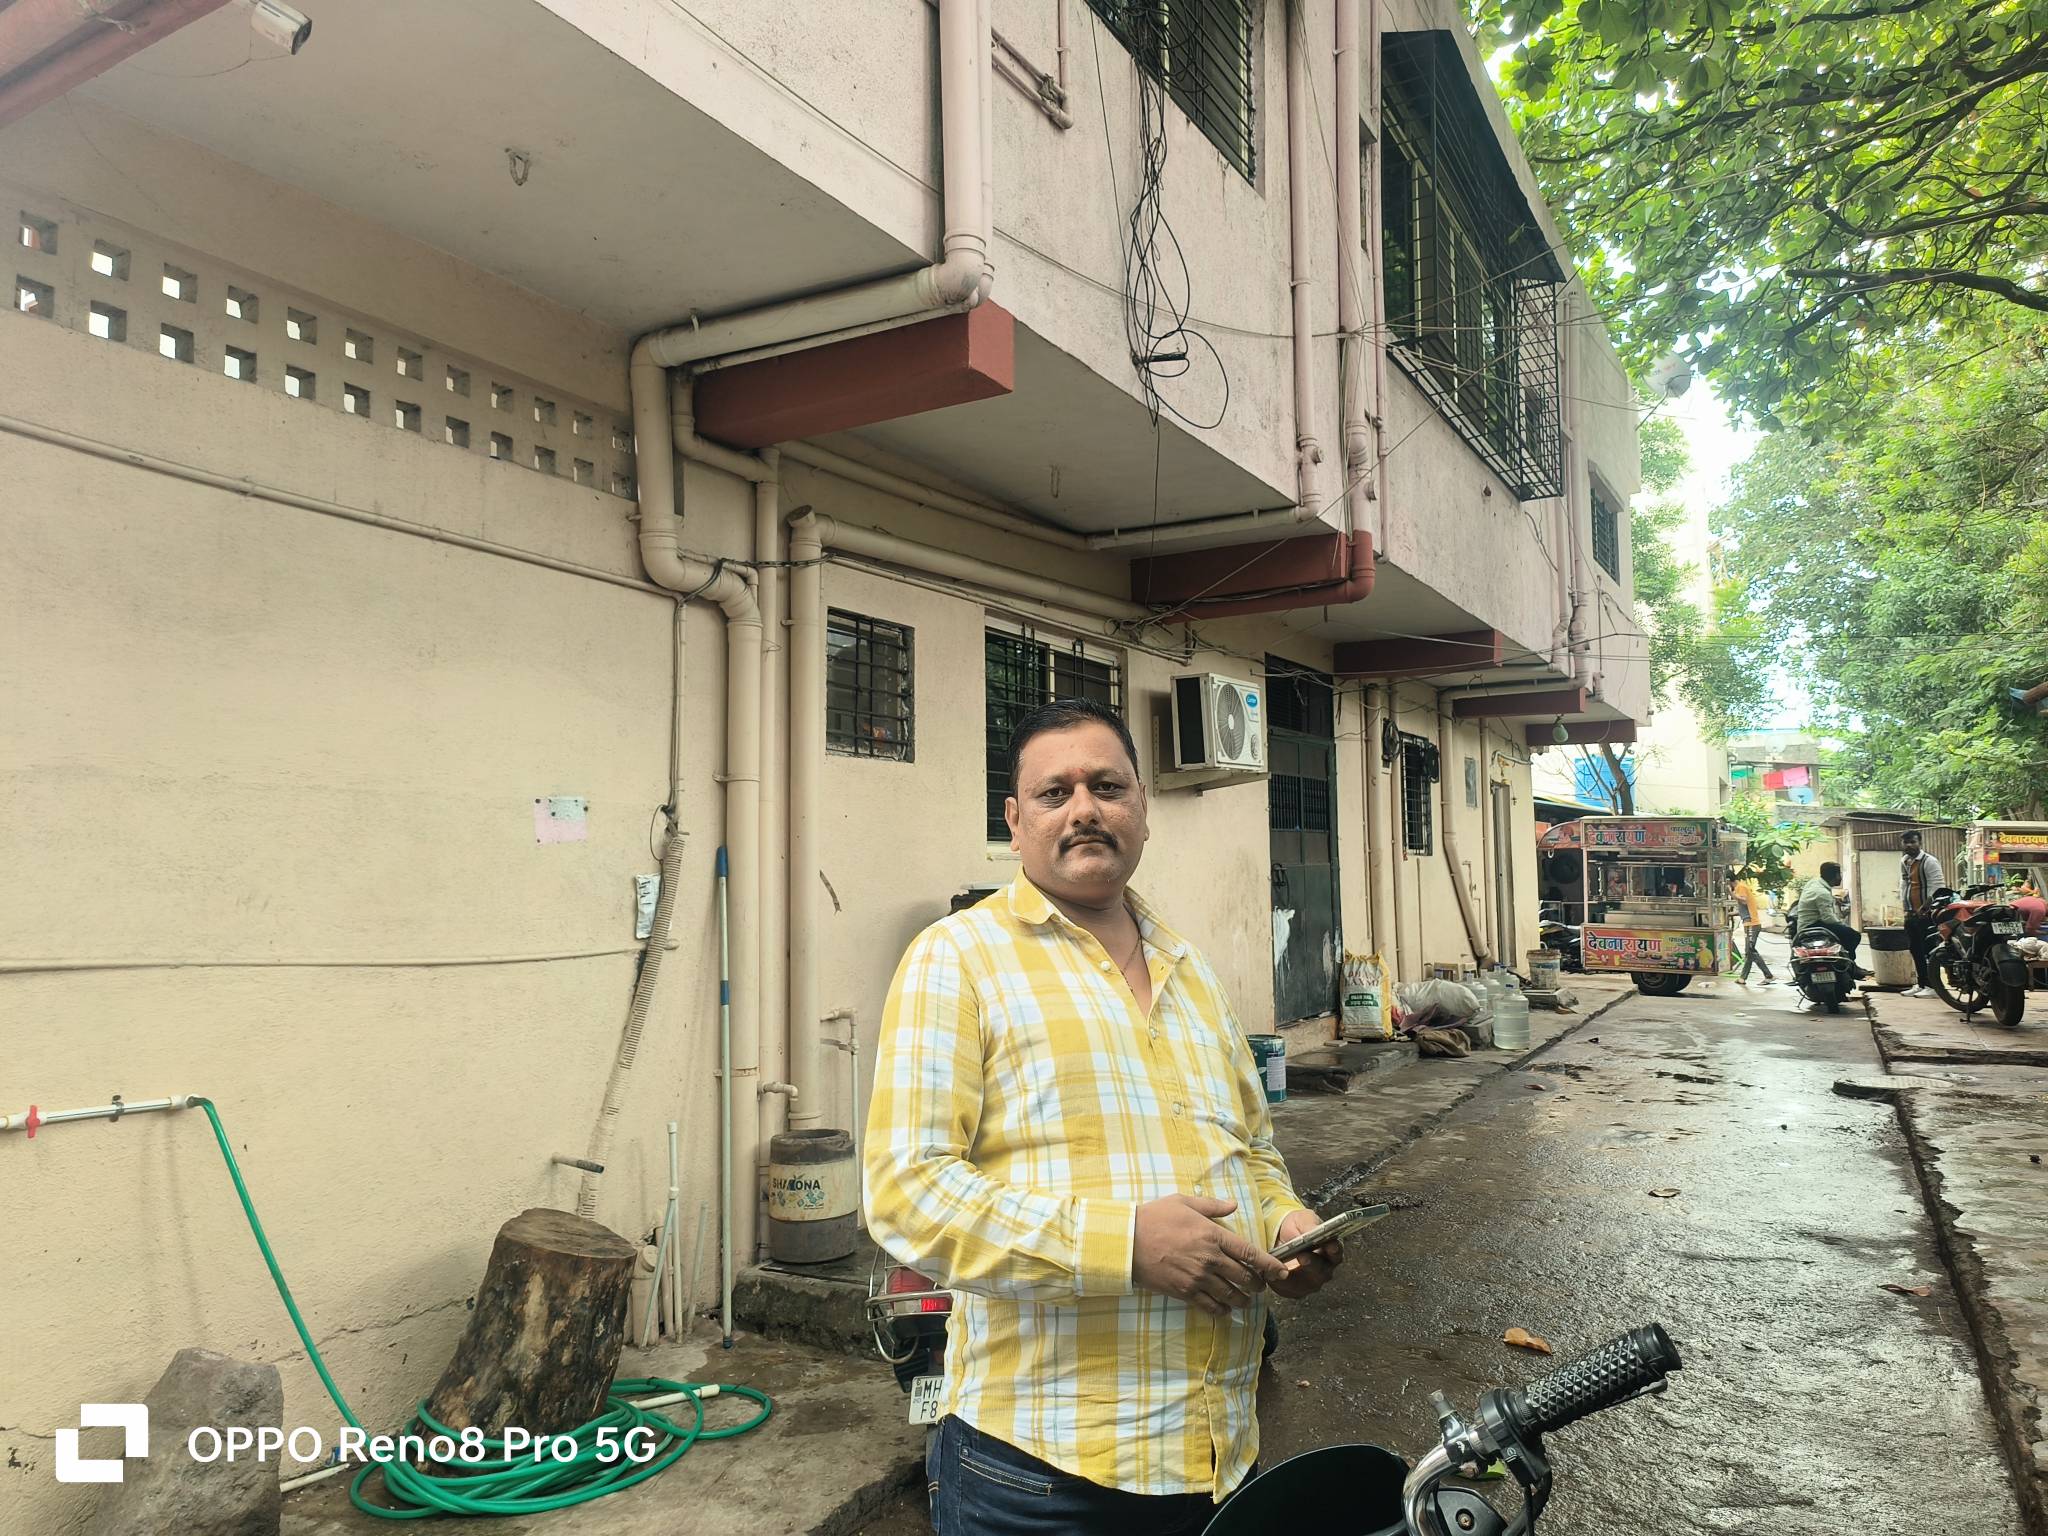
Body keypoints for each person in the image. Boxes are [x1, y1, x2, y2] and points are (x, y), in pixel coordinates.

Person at [864, 698, 1341, 1536]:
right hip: (1042, 1481)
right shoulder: (958, 959)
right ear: (1015, 822)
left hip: (1220, 1456)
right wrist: (1124, 1245)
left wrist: (1285, 1224)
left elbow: (1250, 1149)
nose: (1084, 808)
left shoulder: (1190, 971)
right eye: (1055, 793)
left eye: (1107, 787)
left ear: (1142, 808)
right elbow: (908, 1194)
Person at [1793, 861, 1867, 978]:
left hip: (1805, 925)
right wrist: (1842, 925)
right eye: (1840, 874)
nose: (1841, 877)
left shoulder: (1814, 883)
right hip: (1814, 925)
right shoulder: (1822, 893)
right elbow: (1828, 919)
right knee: (1853, 935)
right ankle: (1850, 966)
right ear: (1836, 875)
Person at [1898, 830, 1946, 998]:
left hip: (1927, 915)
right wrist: (1906, 907)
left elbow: (1937, 887)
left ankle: (1933, 986)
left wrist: (1926, 908)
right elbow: (1904, 885)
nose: (1909, 845)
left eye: (1913, 842)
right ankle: (1922, 984)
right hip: (1911, 914)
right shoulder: (1905, 861)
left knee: (1929, 950)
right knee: (1915, 949)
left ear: (1920, 843)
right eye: (1906, 842)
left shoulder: (1929, 861)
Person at [1732, 872, 1775, 985]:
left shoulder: (1740, 887)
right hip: (1749, 923)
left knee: (1750, 951)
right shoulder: (1740, 887)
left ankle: (1768, 975)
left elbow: (1743, 900)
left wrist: (1730, 893)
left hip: (1752, 924)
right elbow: (1745, 907)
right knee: (1749, 952)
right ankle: (1743, 978)